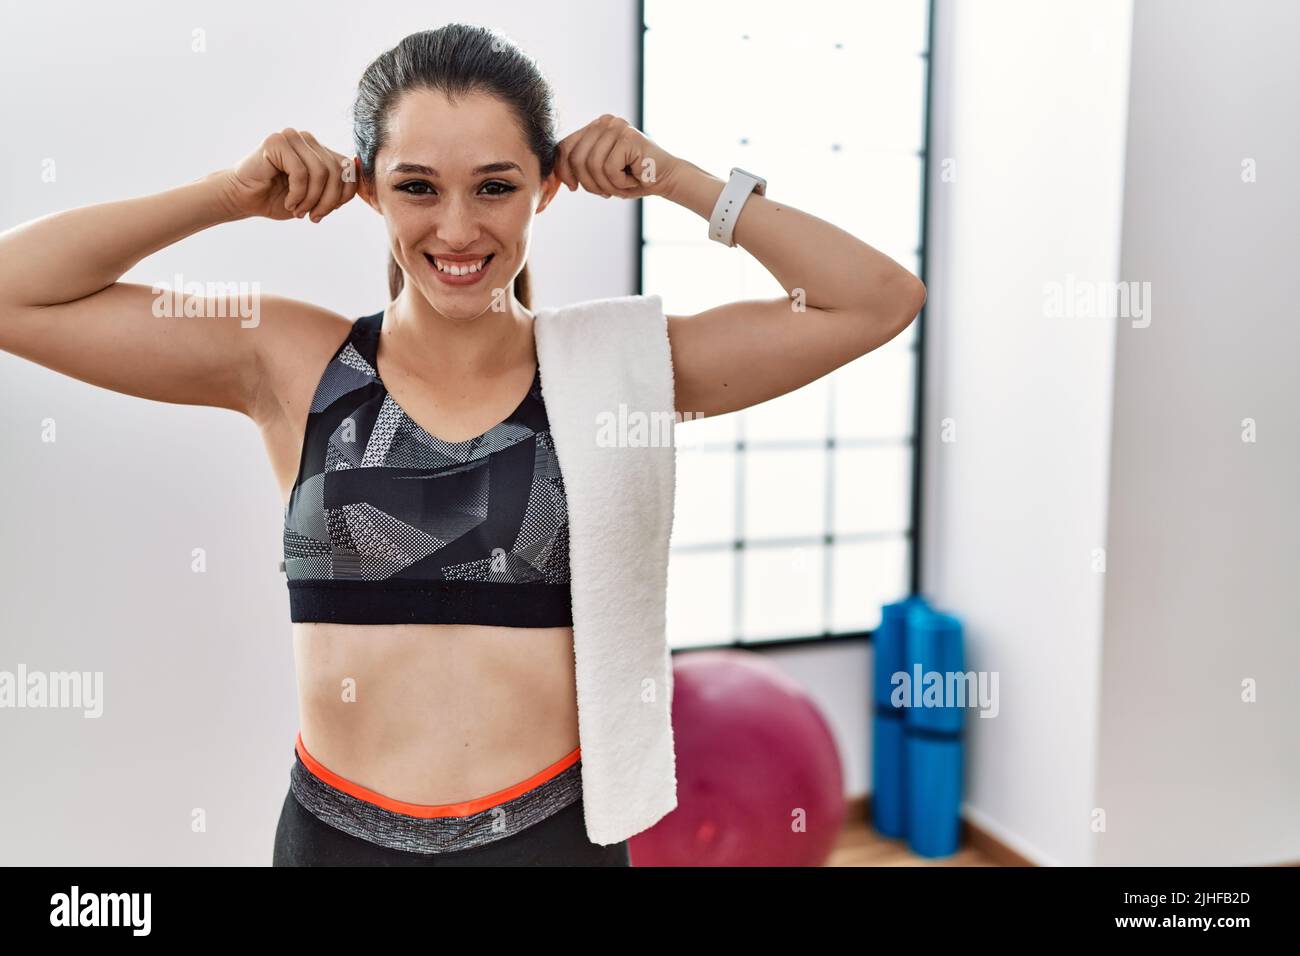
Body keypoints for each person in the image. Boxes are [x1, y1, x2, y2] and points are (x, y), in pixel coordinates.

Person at [0, 23, 925, 866]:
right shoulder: (290, 360)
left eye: (494, 186)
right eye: (416, 187)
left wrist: (677, 179)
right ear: (367, 187)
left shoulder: (616, 372)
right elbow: (15, 294)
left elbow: (878, 300)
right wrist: (226, 196)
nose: (456, 228)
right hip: (334, 843)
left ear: (546, 187)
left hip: (548, 840)